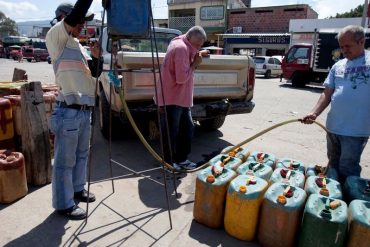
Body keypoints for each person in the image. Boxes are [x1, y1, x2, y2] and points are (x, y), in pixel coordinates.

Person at [46, 0, 102, 220]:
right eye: (79, 20)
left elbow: (95, 73)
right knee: (64, 161)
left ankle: (77, 190)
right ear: (64, 19)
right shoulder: (56, 37)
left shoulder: (78, 45)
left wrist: (96, 56)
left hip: (83, 111)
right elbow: (77, 12)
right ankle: (63, 204)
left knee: (81, 155)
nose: (82, 24)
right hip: (68, 111)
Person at [302, 25, 370, 183]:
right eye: (341, 46)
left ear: (361, 41)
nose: (344, 50)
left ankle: (349, 200)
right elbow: (327, 93)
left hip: (356, 130)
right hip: (333, 127)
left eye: (348, 46)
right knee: (332, 164)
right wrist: (314, 113)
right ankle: (334, 196)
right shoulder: (338, 66)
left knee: (348, 167)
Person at [155, 26, 209, 170]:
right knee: (171, 132)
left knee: (187, 129)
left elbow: (191, 50)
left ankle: (181, 159)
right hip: (172, 98)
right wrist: (194, 65)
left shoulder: (182, 42)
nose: (198, 47)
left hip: (180, 98)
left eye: (201, 45)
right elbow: (181, 78)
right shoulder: (181, 49)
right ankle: (167, 163)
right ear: (189, 37)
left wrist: (199, 52)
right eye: (197, 44)